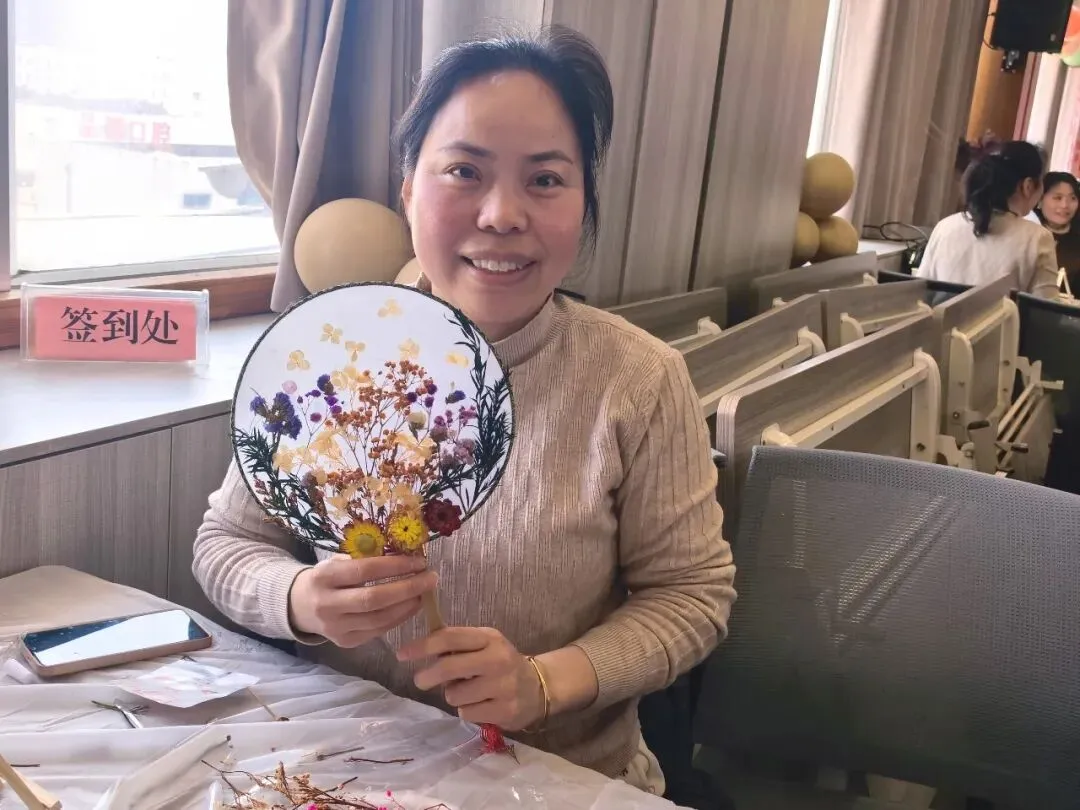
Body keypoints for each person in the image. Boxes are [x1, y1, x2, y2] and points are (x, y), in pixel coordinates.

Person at [193, 27, 736, 796]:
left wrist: (546, 682)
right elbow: (226, 545)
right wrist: (298, 600)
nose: (502, 214)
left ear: (584, 201)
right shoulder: (329, 358)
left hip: (554, 777)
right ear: (408, 190)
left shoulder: (638, 380)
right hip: (343, 770)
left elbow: (692, 597)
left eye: (545, 179)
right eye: (464, 171)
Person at [915, 140, 1059, 298]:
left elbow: (918, 295)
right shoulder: (1038, 238)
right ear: (1028, 186)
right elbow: (1044, 307)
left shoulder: (945, 227)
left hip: (939, 315)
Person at [1032, 171, 1080, 291]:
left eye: (1072, 198)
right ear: (1040, 200)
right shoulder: (1028, 232)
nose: (1065, 205)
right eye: (1057, 198)